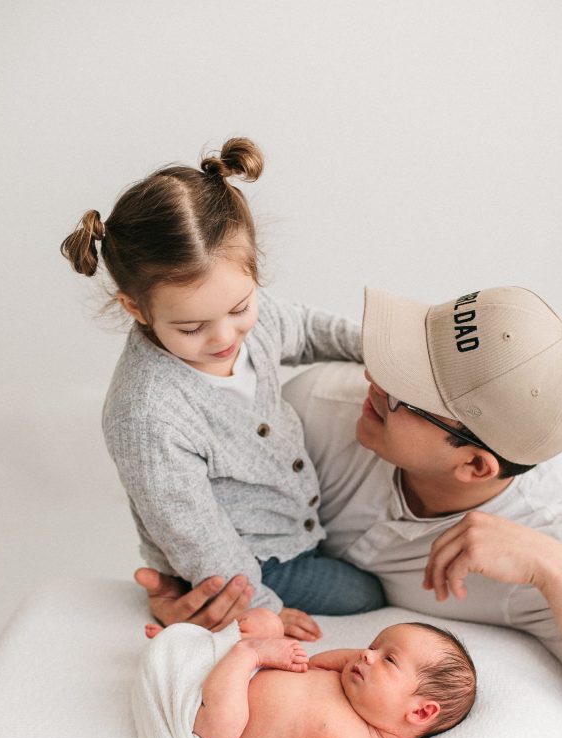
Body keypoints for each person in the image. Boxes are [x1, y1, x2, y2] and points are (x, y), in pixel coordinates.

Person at [136, 284, 562, 738]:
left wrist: (552, 567)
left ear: (475, 466)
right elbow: (208, 533)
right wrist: (202, 592)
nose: (374, 381)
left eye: (407, 395)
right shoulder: (318, 409)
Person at [60, 137, 385, 640]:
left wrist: (378, 348)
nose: (225, 337)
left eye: (239, 309)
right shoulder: (148, 413)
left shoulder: (245, 315)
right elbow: (193, 533)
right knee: (368, 595)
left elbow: (305, 327)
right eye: (191, 328)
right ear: (136, 308)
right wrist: (260, 607)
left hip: (299, 518)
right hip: (249, 559)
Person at [135, 607, 476, 738]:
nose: (366, 655)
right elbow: (315, 661)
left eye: (388, 659)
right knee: (267, 621)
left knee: (222, 728)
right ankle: (197, 642)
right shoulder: (350, 677)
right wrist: (364, 659)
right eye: (373, 645)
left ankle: (245, 653)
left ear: (419, 713)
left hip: (210, 715)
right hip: (220, 669)